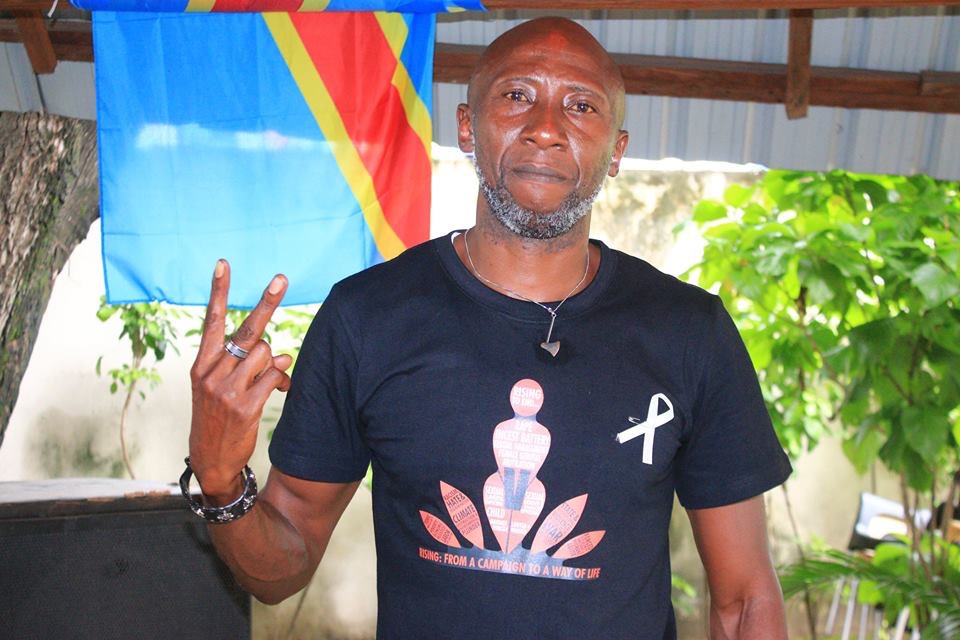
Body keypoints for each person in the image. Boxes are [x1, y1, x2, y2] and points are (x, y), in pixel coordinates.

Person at [185, 17, 792, 639]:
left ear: (616, 151)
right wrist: (219, 481)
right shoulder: (368, 318)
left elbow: (745, 601)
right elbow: (279, 570)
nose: (546, 128)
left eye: (581, 106)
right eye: (518, 95)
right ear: (467, 128)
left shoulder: (689, 333)